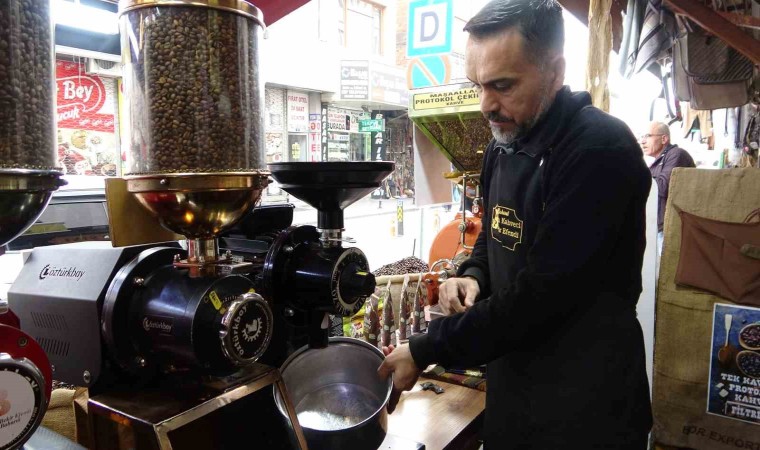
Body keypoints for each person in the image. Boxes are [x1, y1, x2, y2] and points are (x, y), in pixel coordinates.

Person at [377, 0, 653, 448]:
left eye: (502, 85)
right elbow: (494, 237)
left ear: (555, 72)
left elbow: (542, 296)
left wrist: (426, 347)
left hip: (585, 410)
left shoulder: (598, 150)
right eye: (478, 85)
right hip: (514, 395)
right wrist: (472, 275)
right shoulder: (502, 146)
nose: (486, 105)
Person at [640, 121, 696, 256]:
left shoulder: (676, 154)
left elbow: (662, 187)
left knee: (668, 266)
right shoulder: (658, 162)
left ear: (664, 139)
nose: (642, 141)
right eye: (642, 137)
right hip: (659, 227)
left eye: (647, 136)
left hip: (671, 227)